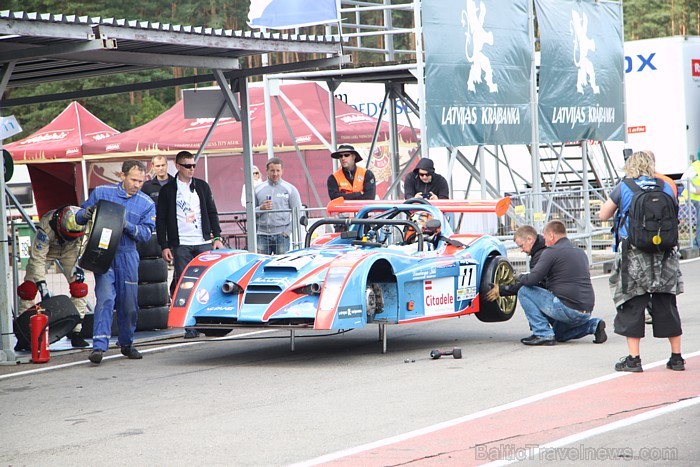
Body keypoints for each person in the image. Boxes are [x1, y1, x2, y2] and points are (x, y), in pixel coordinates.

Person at [599, 150, 685, 372]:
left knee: (633, 303)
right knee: (666, 302)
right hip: (664, 253)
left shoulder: (625, 186)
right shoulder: (666, 186)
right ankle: (676, 357)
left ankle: (634, 359)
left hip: (634, 254)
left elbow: (603, 215)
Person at [76, 160, 156, 364]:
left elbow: (146, 234)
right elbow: (78, 217)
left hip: (128, 255)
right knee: (105, 299)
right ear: (122, 176)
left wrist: (127, 225)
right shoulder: (102, 192)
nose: (137, 184)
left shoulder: (146, 203)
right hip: (102, 252)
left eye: (141, 180)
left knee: (129, 304)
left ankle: (127, 344)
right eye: (133, 179)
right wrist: (85, 213)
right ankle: (98, 347)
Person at [156, 151, 224, 338]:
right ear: (178, 166)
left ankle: (208, 321)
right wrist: (164, 245)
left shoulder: (201, 186)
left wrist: (217, 237)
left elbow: (212, 212)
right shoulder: (168, 190)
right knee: (185, 283)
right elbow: (160, 220)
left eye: (193, 165)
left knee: (207, 281)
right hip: (181, 244)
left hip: (202, 242)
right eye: (187, 166)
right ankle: (190, 324)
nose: (192, 169)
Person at [510, 220, 606, 346]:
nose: (543, 240)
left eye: (544, 236)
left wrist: (518, 276)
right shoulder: (580, 252)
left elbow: (532, 280)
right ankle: (593, 325)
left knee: (524, 291)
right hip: (586, 310)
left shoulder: (550, 252)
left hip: (567, 309)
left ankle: (542, 333)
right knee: (559, 334)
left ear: (551, 235)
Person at [16, 206, 90, 349]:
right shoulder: (46, 227)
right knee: (28, 289)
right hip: (47, 251)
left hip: (70, 250)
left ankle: (76, 333)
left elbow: (84, 245)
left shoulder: (83, 220)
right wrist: (41, 284)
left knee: (79, 287)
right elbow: (38, 258)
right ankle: (23, 334)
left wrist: (79, 264)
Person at [485, 225, 546, 301]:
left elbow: (534, 283)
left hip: (556, 299)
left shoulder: (541, 255)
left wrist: (502, 289)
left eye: (521, 246)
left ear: (529, 239)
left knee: (524, 291)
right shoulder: (543, 250)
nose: (521, 250)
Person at [255, 157, 302, 255]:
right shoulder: (257, 189)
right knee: (260, 265)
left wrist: (287, 232)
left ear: (282, 171)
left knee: (282, 266)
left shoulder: (290, 189)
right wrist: (261, 209)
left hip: (281, 235)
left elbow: (298, 213)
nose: (275, 174)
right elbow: (250, 213)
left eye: (278, 170)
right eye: (272, 171)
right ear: (267, 171)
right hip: (262, 235)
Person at [680, 156, 700, 248]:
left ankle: (696, 243)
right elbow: (684, 179)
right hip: (696, 198)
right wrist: (694, 190)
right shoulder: (696, 166)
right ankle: (697, 244)